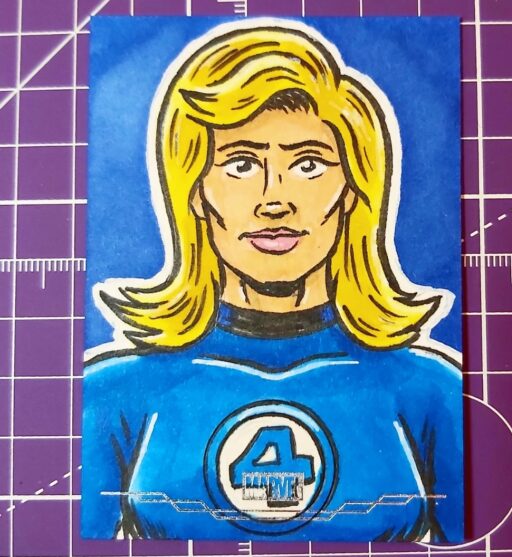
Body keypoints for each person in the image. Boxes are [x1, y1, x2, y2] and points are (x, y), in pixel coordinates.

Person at [82, 19, 462, 542]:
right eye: (241, 163)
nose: (274, 199)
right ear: (195, 191)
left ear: (353, 189)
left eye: (308, 163)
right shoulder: (112, 395)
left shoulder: (431, 391)